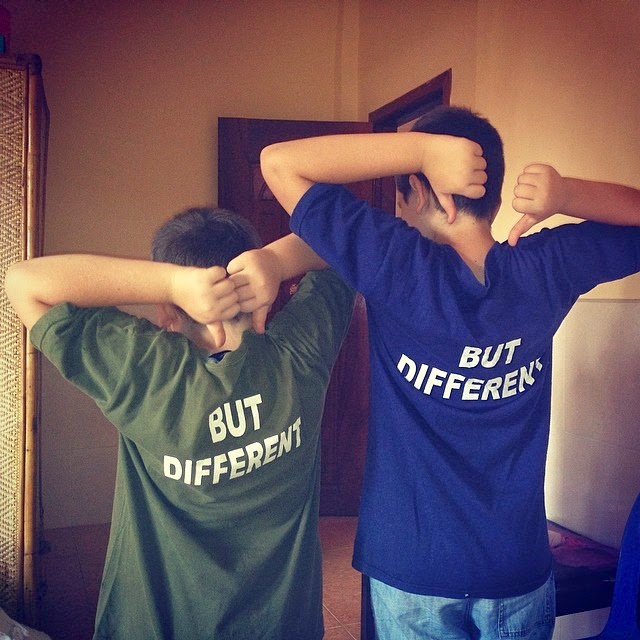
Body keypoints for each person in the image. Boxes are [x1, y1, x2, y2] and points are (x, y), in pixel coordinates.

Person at [256, 106, 640, 639]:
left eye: (402, 192)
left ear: (420, 188)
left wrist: (420, 150)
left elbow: (279, 163)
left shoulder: (396, 263)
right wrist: (566, 194)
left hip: (414, 566)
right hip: (515, 568)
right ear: (494, 194)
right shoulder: (544, 268)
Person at [4, 207, 356, 640]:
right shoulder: (299, 355)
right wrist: (276, 261)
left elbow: (24, 282)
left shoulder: (146, 371)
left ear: (168, 312)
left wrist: (171, 283)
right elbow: (344, 239)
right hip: (282, 626)